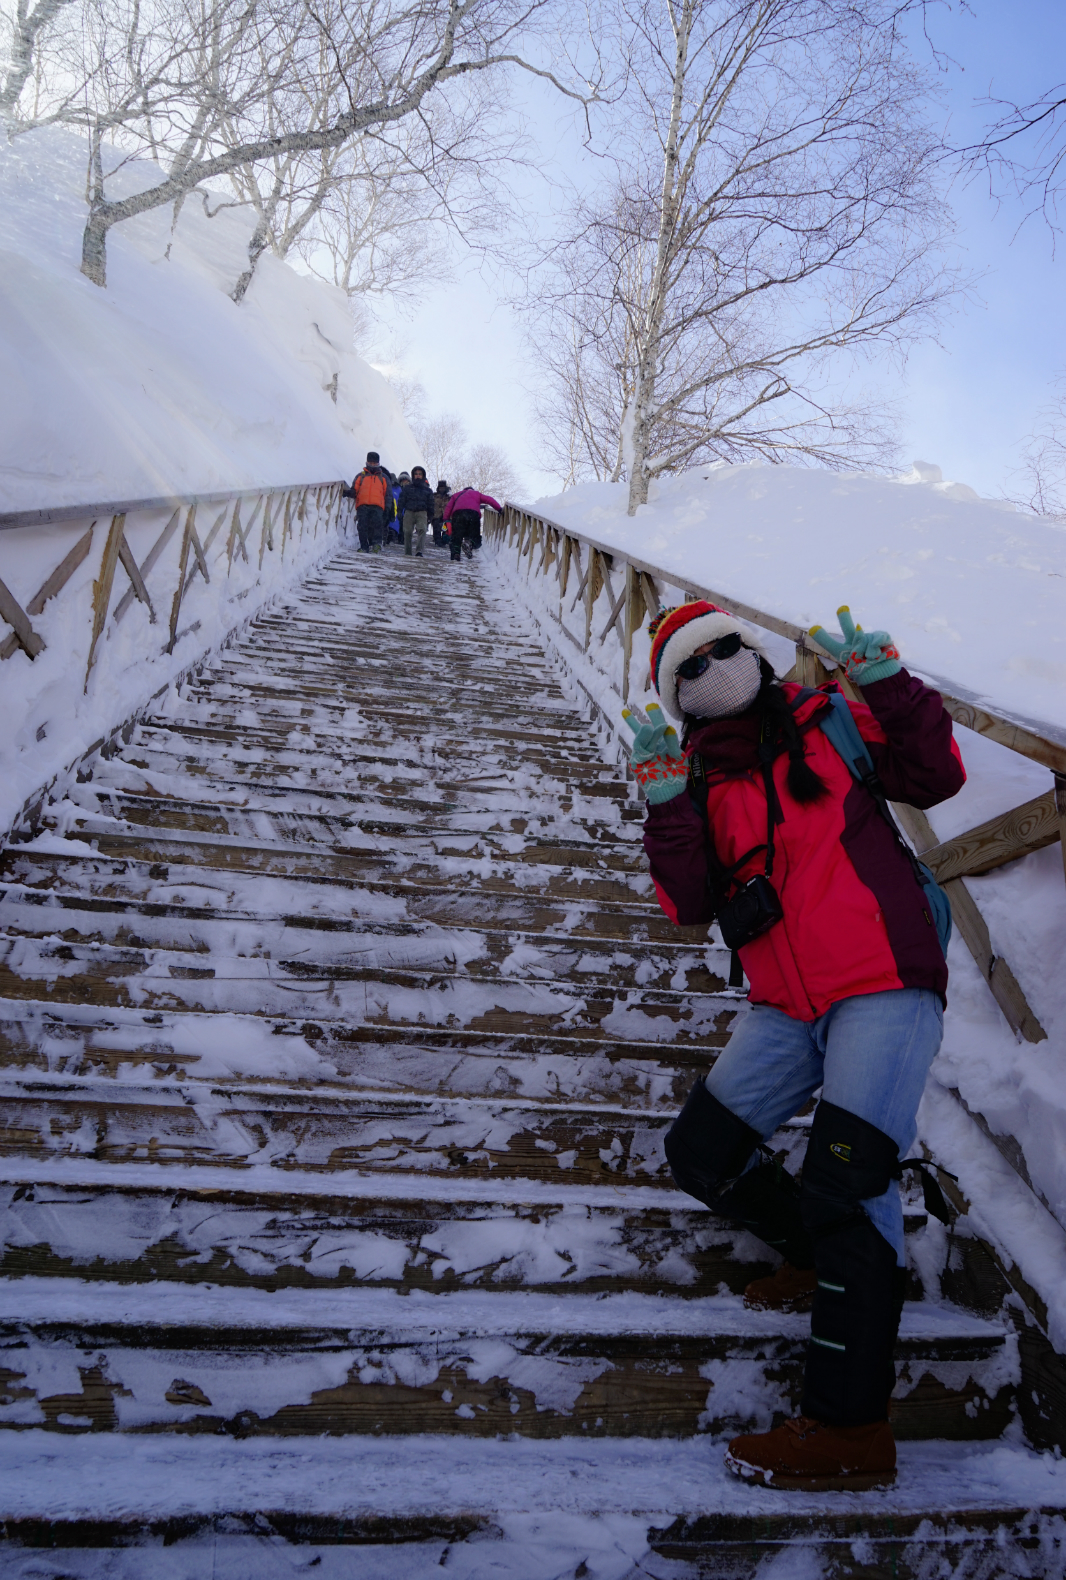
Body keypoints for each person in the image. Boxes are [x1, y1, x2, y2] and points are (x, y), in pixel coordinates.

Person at [627, 602, 965, 1492]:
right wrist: (667, 808)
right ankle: (813, 1255)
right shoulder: (701, 781)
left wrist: (888, 685)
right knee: (699, 1151)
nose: (721, 669)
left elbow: (936, 775)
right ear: (681, 703)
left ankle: (850, 1429)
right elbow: (691, 902)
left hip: (884, 979)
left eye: (731, 648)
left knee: (847, 1181)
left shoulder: (831, 723)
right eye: (693, 670)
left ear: (762, 652)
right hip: (787, 1003)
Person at [443, 486, 502, 562]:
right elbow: (489, 500)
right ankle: (470, 543)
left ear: (464, 489)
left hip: (458, 515)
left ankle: (456, 554)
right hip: (473, 515)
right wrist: (499, 509)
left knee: (456, 536)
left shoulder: (456, 495)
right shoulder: (477, 494)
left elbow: (448, 507)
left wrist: (446, 519)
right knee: (475, 536)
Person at [351, 452, 390, 553]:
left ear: (378, 463)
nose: (372, 465)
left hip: (378, 506)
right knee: (362, 526)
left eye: (374, 463)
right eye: (370, 462)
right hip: (362, 505)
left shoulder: (384, 477)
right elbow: (354, 490)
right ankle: (364, 546)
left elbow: (388, 494)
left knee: (377, 525)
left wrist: (388, 508)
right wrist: (347, 492)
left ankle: (376, 544)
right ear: (367, 462)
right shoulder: (360, 476)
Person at [399, 467, 435, 558]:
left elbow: (431, 503)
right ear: (413, 475)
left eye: (420, 474)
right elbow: (401, 500)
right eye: (416, 474)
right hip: (409, 511)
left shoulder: (428, 490)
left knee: (422, 529)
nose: (418, 476)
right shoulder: (407, 488)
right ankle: (407, 552)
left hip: (422, 512)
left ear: (423, 476)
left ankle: (419, 551)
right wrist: (399, 511)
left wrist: (430, 515)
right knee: (407, 532)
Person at [431, 479, 450, 547]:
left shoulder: (449, 497)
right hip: (436, 515)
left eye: (443, 488)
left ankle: (444, 540)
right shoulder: (434, 496)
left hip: (446, 516)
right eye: (440, 488)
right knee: (436, 528)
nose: (442, 489)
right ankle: (437, 541)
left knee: (445, 528)